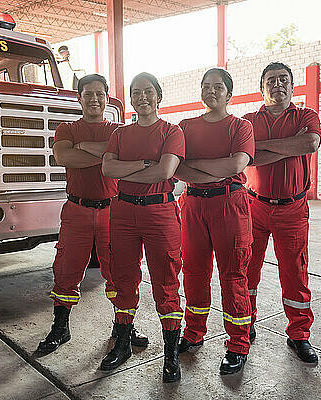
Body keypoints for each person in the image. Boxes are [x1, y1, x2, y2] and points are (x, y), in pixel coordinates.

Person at [37, 74, 149, 354]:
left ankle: (123, 324)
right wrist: (107, 156)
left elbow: (112, 158)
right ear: (79, 98)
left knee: (120, 270)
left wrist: (84, 149)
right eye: (88, 94)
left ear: (107, 97)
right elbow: (64, 158)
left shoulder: (118, 131)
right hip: (77, 210)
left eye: (100, 94)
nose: (94, 100)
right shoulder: (67, 129)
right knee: (66, 267)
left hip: (114, 211)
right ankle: (60, 328)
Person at [100, 72, 185, 383]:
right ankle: (122, 343)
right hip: (122, 212)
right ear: (131, 98)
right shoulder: (120, 134)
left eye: (148, 91)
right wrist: (142, 165)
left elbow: (164, 171)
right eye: (136, 92)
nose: (142, 97)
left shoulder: (171, 131)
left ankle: (171, 354)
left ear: (158, 96)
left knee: (166, 280)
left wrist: (132, 169)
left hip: (160, 212)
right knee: (123, 277)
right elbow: (108, 169)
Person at [174, 68, 254, 374]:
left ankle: (237, 345)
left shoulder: (240, 127)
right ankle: (193, 333)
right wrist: (214, 169)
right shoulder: (185, 127)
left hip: (230, 204)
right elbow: (177, 169)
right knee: (193, 272)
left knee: (233, 275)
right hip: (193, 205)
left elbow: (236, 164)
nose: (211, 91)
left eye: (218, 87)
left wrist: (197, 167)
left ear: (229, 94)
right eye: (206, 86)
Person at [243, 62, 321, 363]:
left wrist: (265, 149)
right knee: (246, 269)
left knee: (295, 273)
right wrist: (290, 145)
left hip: (293, 209)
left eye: (283, 80)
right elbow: (247, 155)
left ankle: (299, 335)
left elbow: (311, 142)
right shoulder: (249, 120)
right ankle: (244, 326)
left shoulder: (306, 115)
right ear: (262, 88)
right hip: (254, 206)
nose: (278, 85)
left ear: (292, 85)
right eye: (271, 80)